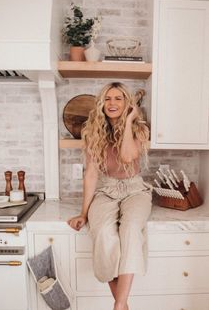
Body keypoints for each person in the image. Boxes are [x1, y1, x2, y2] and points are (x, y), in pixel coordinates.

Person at [67, 82, 152, 310]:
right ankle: (123, 306)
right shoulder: (92, 133)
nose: (112, 103)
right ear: (101, 104)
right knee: (104, 233)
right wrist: (83, 213)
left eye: (118, 99)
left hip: (135, 190)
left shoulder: (139, 129)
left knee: (130, 229)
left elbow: (126, 157)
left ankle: (119, 304)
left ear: (127, 103)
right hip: (107, 190)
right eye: (107, 99)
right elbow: (91, 175)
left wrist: (127, 123)